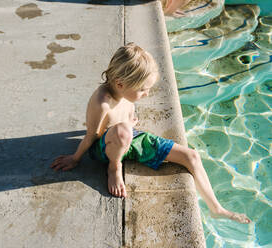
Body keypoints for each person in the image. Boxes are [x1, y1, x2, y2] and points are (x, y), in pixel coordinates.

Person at [50, 42, 251, 224]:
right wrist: (75, 158)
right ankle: (115, 167)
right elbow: (91, 136)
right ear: (120, 84)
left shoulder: (125, 92)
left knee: (191, 156)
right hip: (105, 148)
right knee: (123, 131)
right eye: (143, 90)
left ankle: (217, 208)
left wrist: (128, 123)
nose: (147, 94)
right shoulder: (102, 103)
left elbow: (127, 121)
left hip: (129, 137)